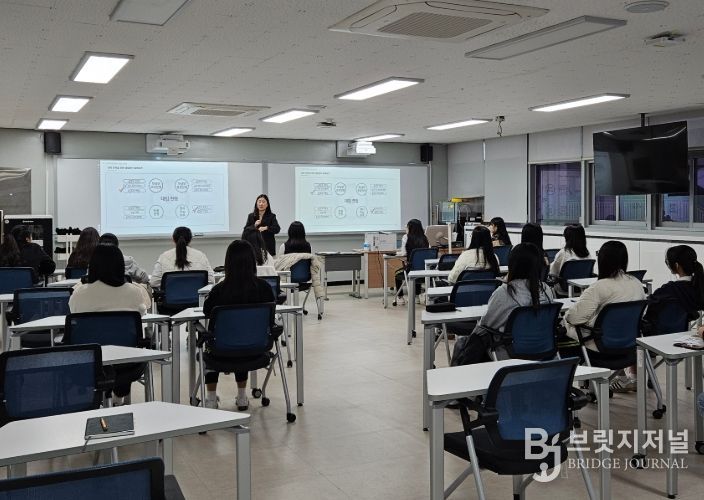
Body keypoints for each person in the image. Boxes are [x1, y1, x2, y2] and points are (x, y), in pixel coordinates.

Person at [69, 244, 152, 404]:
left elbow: (74, 313)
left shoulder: (79, 293)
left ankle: (103, 399)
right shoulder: (133, 292)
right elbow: (141, 314)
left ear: (92, 266)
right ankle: (118, 397)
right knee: (126, 348)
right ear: (120, 266)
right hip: (127, 361)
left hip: (89, 360)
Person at [203, 240, 277, 410]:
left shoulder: (219, 290)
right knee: (244, 335)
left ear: (228, 263)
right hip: (256, 349)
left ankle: (211, 398)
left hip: (221, 351)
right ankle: (242, 396)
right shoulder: (265, 288)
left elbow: (207, 311)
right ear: (252, 262)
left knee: (214, 340)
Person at [451, 243, 554, 365]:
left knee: (462, 342)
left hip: (509, 352)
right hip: (543, 350)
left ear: (512, 264)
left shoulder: (506, 292)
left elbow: (485, 325)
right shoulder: (547, 290)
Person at [563, 240, 646, 391]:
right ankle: (615, 378)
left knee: (566, 327)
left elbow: (574, 318)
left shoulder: (599, 287)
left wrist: (566, 317)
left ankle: (576, 386)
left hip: (600, 348)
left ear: (603, 260)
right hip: (629, 346)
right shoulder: (636, 283)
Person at [643, 245, 704, 330]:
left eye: (667, 262)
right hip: (683, 333)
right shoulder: (699, 287)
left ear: (677, 265)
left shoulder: (667, 290)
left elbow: (647, 309)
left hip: (659, 334)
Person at [150, 226, 214, 288]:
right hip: (197, 295)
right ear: (190, 239)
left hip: (172, 295)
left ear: (173, 239)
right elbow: (211, 281)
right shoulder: (201, 255)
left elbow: (153, 282)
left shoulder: (164, 256)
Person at [394, 219, 430, 305]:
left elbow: (404, 253)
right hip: (425, 270)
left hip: (411, 269)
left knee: (397, 273)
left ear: (410, 228)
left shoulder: (406, 237)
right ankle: (416, 297)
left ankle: (400, 297)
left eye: (407, 226)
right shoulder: (425, 238)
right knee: (417, 268)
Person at [549, 224, 592, 294]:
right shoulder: (587, 254)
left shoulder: (563, 253)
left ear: (567, 238)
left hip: (563, 290)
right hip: (581, 290)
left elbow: (553, 273)